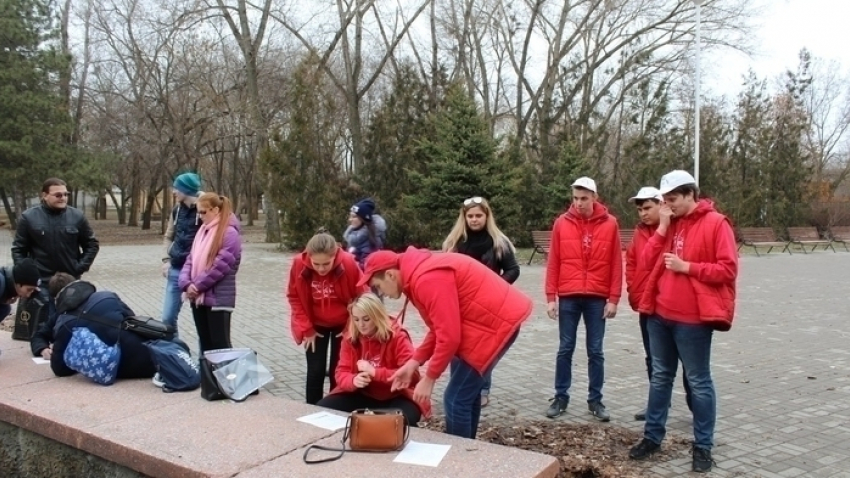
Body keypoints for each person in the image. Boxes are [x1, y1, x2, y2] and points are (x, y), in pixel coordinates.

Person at [627, 170, 738, 474]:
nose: (668, 205)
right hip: (659, 316)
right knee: (661, 377)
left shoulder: (716, 224)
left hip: (693, 321)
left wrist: (688, 267)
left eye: (673, 199)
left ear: (690, 194)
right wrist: (662, 227)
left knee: (699, 382)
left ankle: (703, 446)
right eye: (665, 200)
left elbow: (727, 270)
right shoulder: (668, 223)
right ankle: (652, 437)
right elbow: (646, 261)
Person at [360, 247, 533, 439]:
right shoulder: (417, 274)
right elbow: (439, 329)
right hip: (486, 323)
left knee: (455, 399)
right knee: (467, 396)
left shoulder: (426, 280)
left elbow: (449, 337)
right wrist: (413, 362)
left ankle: (456, 459)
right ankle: (470, 449)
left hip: (494, 326)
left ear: (391, 275)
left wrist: (429, 379)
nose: (381, 293)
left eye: (378, 286)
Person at [544, 176, 621, 422]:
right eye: (575, 198)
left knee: (595, 351)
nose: (578, 203)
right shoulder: (561, 223)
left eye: (584, 198)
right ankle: (560, 396)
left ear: (594, 198)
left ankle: (595, 400)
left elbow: (616, 264)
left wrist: (614, 298)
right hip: (568, 295)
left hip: (597, 297)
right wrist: (550, 296)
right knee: (565, 348)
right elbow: (554, 261)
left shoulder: (610, 224)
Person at [442, 196, 519, 407]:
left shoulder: (498, 241)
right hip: (460, 303)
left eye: (479, 215)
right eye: (470, 216)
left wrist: (496, 287)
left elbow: (513, 269)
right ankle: (456, 384)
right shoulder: (454, 243)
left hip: (487, 305)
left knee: (484, 347)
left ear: (487, 216)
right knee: (457, 345)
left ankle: (483, 388)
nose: (475, 220)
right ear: (464, 218)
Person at [625, 187, 692, 421]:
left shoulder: (674, 229)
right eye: (640, 209)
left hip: (671, 305)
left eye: (647, 208)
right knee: (653, 357)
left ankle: (694, 402)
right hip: (646, 304)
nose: (643, 213)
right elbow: (632, 263)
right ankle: (658, 403)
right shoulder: (639, 232)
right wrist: (633, 288)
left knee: (685, 360)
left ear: (661, 205)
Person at [316, 293, 430, 426]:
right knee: (322, 408)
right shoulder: (350, 339)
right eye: (356, 319)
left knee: (396, 422)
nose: (361, 325)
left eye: (366, 319)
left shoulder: (398, 337)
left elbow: (412, 376)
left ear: (377, 317)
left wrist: (375, 372)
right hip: (363, 394)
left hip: (399, 396)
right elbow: (341, 373)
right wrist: (353, 380)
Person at [287, 230, 365, 404]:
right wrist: (306, 329)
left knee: (339, 369)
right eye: (316, 264)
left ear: (335, 256)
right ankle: (313, 409)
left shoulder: (348, 263)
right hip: (314, 324)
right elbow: (294, 297)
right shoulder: (299, 263)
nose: (321, 269)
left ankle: (334, 407)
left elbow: (362, 295)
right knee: (315, 370)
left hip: (343, 323)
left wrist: (350, 327)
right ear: (308, 257)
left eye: (326, 264)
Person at [31, 273, 156, 379]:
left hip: (120, 367)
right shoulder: (107, 296)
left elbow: (59, 369)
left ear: (56, 299)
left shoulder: (63, 321)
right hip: (150, 354)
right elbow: (131, 320)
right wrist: (42, 347)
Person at [11, 178, 100, 321]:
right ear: (44, 195)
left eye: (66, 194)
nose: (63, 198)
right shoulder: (29, 217)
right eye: (58, 195)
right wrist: (27, 276)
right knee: (43, 323)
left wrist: (79, 267)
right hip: (41, 282)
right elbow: (18, 250)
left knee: (69, 321)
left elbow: (92, 245)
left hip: (69, 280)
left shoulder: (77, 216)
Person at [178, 193, 242, 354]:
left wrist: (197, 285)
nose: (200, 217)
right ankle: (209, 378)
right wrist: (186, 283)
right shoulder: (203, 231)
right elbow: (191, 259)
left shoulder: (229, 233)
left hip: (218, 297)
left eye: (203, 212)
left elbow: (220, 266)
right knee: (205, 343)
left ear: (215, 210)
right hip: (198, 298)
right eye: (198, 212)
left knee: (220, 345)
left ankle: (228, 378)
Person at [161, 172, 203, 334]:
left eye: (177, 188)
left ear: (186, 190)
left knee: (202, 323)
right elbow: (168, 236)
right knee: (167, 318)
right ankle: (174, 353)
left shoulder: (204, 209)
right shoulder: (177, 210)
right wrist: (166, 260)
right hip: (176, 270)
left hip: (197, 274)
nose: (174, 192)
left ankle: (203, 358)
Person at [343, 198, 387, 269]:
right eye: (350, 216)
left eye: (354, 217)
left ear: (363, 219)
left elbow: (366, 267)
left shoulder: (370, 240)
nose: (350, 219)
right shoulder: (355, 236)